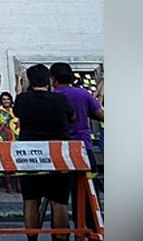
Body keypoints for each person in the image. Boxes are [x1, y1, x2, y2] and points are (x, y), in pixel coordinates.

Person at [13, 64, 75, 241]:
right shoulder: (60, 100)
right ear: (49, 80)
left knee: (31, 199)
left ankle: (32, 238)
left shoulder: (23, 100)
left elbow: (17, 113)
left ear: (30, 81)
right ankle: (61, 237)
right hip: (58, 155)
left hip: (30, 156)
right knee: (59, 201)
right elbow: (73, 117)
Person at [51, 62, 105, 232]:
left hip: (58, 150)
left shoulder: (51, 96)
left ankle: (61, 233)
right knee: (88, 195)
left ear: (53, 79)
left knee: (58, 198)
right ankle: (92, 230)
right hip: (83, 148)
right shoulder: (82, 94)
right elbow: (101, 114)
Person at [0, 73, 23, 194]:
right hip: (4, 137)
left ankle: (19, 185)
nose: (6, 101)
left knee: (18, 162)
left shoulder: (15, 108)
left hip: (16, 137)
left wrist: (18, 79)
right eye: (4, 99)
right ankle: (8, 185)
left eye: (8, 99)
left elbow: (19, 93)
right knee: (6, 163)